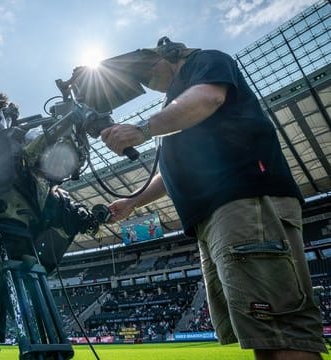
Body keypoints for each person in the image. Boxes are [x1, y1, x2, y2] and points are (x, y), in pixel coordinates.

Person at [100, 37, 327, 359]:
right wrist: (134, 202)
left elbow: (208, 97)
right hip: (216, 216)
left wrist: (143, 129)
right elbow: (169, 171)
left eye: (149, 73)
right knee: (263, 336)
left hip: (243, 201)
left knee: (283, 335)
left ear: (170, 55)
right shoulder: (177, 107)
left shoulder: (206, 61)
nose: (147, 84)